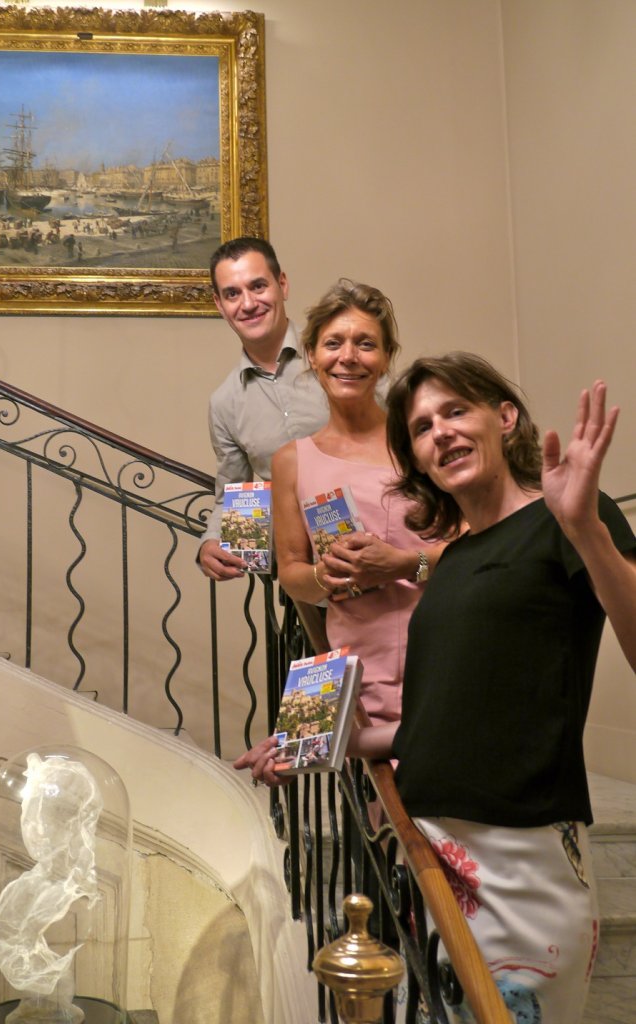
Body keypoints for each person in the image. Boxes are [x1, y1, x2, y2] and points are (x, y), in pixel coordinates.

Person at [375, 353, 634, 1023]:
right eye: (423, 427)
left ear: (505, 416)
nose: (442, 433)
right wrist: (322, 742)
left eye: (456, 411)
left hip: (524, 861)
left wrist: (585, 529)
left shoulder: (570, 519)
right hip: (429, 855)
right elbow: (446, 709)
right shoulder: (453, 557)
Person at [234, 280, 445, 777]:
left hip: (440, 650)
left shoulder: (422, 442)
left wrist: (402, 563)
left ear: (387, 356)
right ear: (311, 353)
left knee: (442, 811)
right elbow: (290, 572)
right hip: (360, 667)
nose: (348, 357)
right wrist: (326, 576)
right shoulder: (291, 461)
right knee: (385, 825)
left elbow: (478, 550)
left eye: (365, 344)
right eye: (333, 343)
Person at [198, 237, 329, 581]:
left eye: (258, 286)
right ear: (219, 304)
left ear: (282, 285)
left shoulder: (338, 357)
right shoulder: (224, 403)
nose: (248, 303)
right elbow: (236, 496)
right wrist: (212, 541)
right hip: (306, 581)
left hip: (385, 555)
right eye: (232, 293)